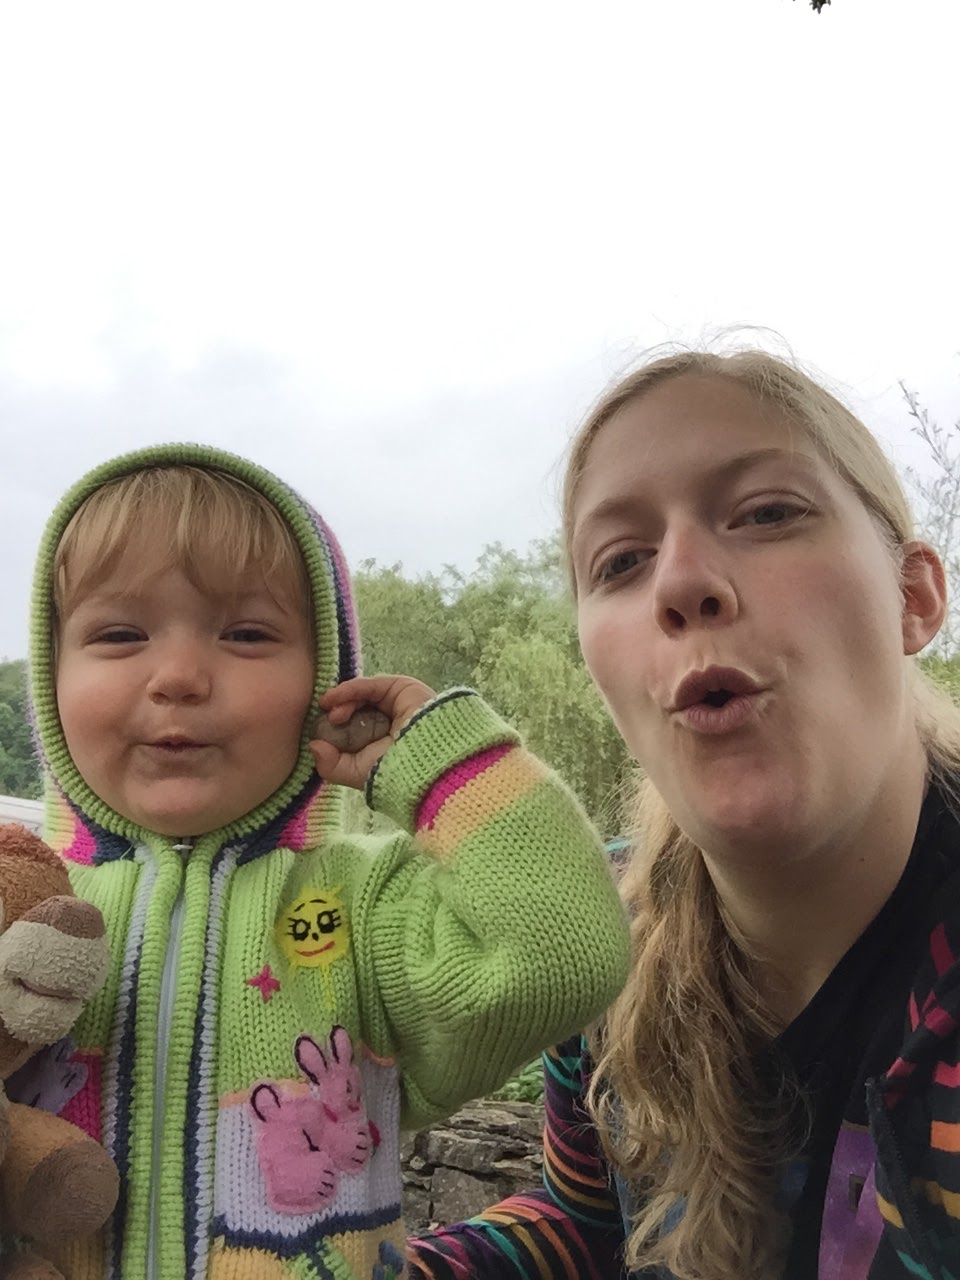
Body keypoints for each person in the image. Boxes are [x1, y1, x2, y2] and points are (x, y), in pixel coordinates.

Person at [7, 444, 631, 1280]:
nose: (182, 676)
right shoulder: (26, 915)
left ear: (327, 678)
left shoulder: (366, 908)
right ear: (51, 681)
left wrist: (433, 761)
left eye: (247, 633)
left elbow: (563, 952)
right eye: (120, 634)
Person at [406, 348, 960, 1280]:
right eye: (621, 561)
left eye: (768, 513)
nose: (682, 583)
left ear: (913, 597)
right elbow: (589, 1222)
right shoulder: (599, 933)